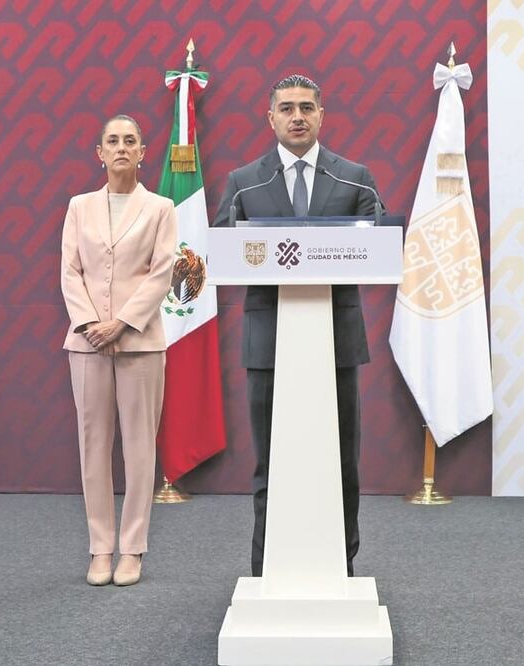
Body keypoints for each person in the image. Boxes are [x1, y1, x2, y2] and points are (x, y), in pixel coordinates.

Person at [212, 74, 381, 578]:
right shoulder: (245, 183)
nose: (298, 116)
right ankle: (267, 568)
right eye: (286, 108)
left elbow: (380, 248)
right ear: (271, 118)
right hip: (269, 343)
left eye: (307, 107)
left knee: (341, 459)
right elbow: (222, 251)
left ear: (322, 115)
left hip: (336, 343)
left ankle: (341, 565)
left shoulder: (355, 178)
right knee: (272, 460)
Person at [60, 114, 177, 586]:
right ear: (100, 152)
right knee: (93, 447)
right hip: (86, 342)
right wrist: (92, 324)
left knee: (139, 448)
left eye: (131, 141)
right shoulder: (79, 206)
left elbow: (162, 271)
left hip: (140, 343)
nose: (122, 147)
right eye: (113, 140)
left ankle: (132, 548)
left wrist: (123, 323)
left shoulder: (161, 207)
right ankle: (100, 548)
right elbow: (71, 271)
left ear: (143, 152)